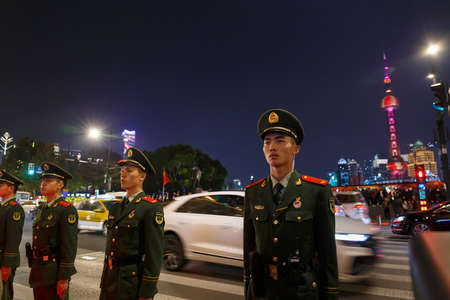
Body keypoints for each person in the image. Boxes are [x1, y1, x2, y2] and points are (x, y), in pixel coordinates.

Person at [243, 109, 339, 300]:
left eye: (280, 140)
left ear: (296, 148)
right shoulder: (253, 193)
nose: (272, 147)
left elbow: (327, 254)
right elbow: (249, 248)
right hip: (263, 292)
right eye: (267, 142)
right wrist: (248, 288)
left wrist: (330, 294)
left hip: (301, 291)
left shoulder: (316, 191)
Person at [99, 147, 164, 300]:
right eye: (122, 170)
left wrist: (147, 293)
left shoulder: (150, 208)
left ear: (142, 176)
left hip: (130, 285)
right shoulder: (116, 208)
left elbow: (154, 255)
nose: (123, 174)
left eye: (129, 170)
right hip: (110, 280)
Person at [28, 162, 78, 300]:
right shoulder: (43, 209)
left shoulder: (66, 210)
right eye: (43, 180)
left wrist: (64, 278)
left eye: (48, 181)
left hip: (53, 272)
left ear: (60, 185)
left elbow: (69, 247)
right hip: (38, 270)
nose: (43, 184)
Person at [0, 170, 25, 300]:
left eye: (1, 185)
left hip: (4, 260)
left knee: (4, 294)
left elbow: (13, 239)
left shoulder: (14, 208)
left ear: (11, 188)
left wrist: (7, 265)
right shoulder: (3, 207)